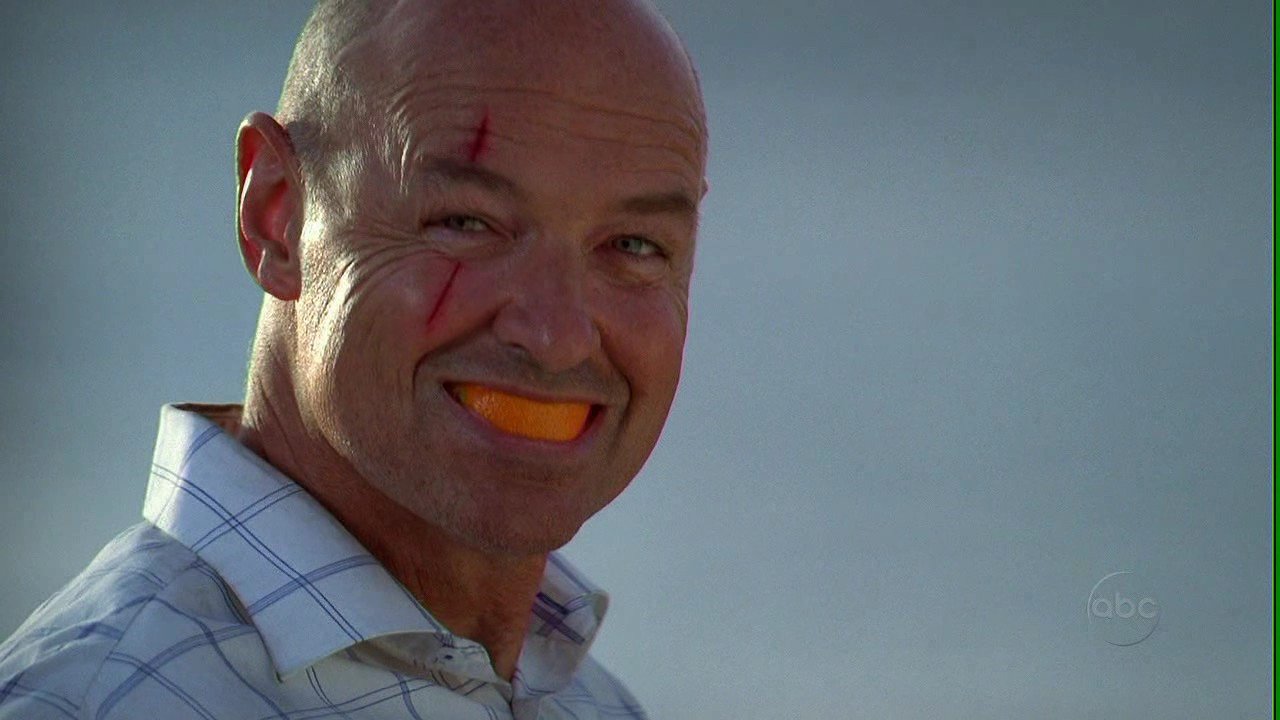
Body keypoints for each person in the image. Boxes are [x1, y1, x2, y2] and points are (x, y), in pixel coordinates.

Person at [0, 0, 707, 717]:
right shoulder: (88, 703)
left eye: (635, 246)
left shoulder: (592, 702)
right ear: (277, 216)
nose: (557, 337)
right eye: (466, 222)